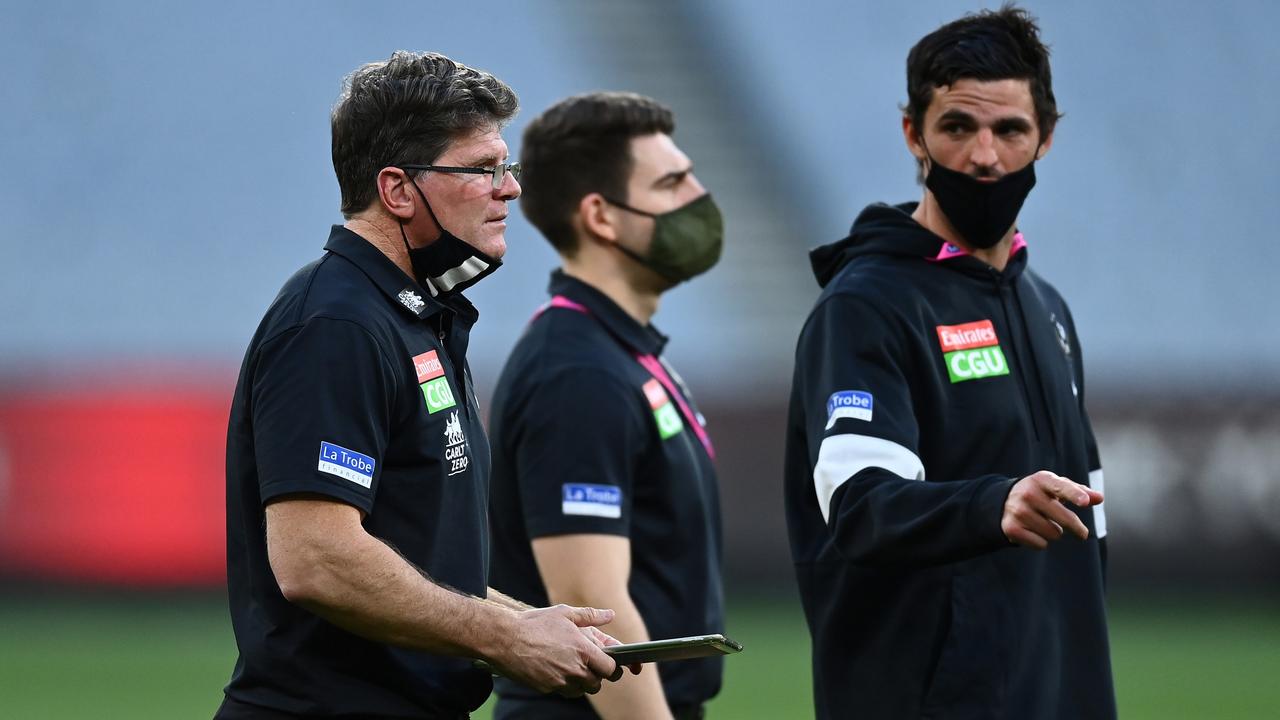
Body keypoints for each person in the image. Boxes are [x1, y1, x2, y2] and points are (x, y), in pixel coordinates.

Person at [217, 52, 631, 720]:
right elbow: (316, 559)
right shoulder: (336, 323)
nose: (510, 189)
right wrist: (503, 635)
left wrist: (529, 623)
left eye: (508, 167)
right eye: (482, 169)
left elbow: (411, 560)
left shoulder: (411, 315)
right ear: (398, 190)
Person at [783, 7, 1116, 719]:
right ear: (914, 133)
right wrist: (995, 502)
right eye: (958, 127)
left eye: (1011, 130)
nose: (985, 157)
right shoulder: (865, 307)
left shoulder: (1046, 307)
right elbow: (863, 506)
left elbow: (1089, 535)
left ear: (1047, 138)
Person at [487, 92, 726, 720]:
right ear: (601, 216)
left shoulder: (619, 351)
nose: (698, 196)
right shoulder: (576, 375)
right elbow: (598, 614)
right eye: (672, 183)